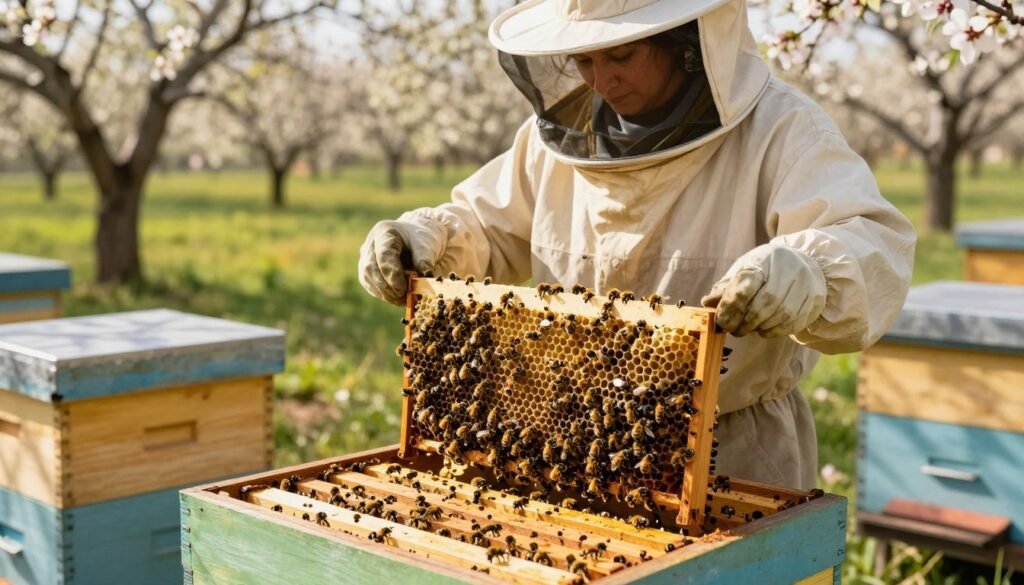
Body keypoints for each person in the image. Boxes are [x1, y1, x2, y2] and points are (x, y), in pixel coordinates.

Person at [358, 0, 915, 489]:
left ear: (685, 45)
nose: (601, 80)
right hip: (573, 441)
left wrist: (810, 270)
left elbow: (868, 239)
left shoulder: (783, 131)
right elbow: (485, 225)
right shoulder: (553, 141)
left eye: (621, 56)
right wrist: (422, 237)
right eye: (583, 59)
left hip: (734, 450)